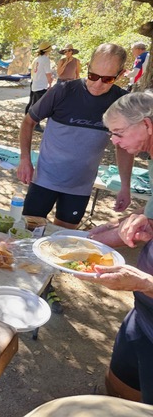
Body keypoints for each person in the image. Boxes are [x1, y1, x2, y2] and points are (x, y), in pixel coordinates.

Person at [18, 43, 133, 230]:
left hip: (80, 186)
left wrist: (125, 186)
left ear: (120, 75)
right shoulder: (62, 91)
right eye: (93, 76)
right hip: (44, 179)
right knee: (28, 232)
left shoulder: (121, 102)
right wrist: (25, 159)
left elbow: (124, 146)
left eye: (107, 79)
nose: (97, 84)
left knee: (62, 239)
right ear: (88, 67)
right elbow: (28, 122)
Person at [84, 92, 153, 403]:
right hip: (143, 312)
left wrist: (141, 281)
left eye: (119, 133)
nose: (113, 141)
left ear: (147, 125)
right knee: (119, 385)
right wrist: (119, 227)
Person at [26, 42, 54, 131]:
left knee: (33, 103)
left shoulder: (37, 59)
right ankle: (36, 124)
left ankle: (28, 121)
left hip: (35, 83)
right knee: (40, 106)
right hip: (41, 85)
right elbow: (48, 73)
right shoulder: (46, 59)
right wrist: (50, 82)